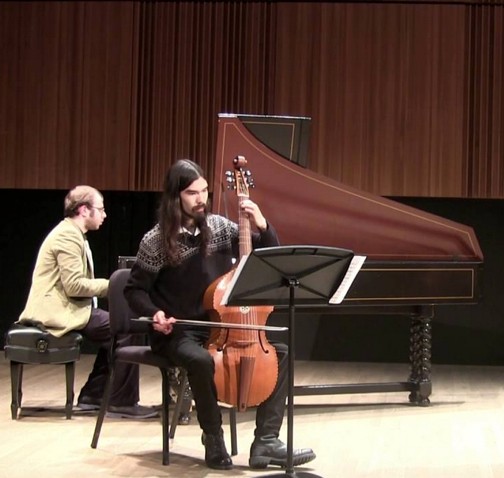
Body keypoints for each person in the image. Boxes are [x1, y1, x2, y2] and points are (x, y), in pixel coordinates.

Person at [124, 159, 316, 470]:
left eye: (204, 191)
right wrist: (155, 314)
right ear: (175, 196)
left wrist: (263, 225)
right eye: (192, 193)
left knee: (279, 353)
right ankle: (213, 437)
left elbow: (268, 259)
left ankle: (266, 442)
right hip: (178, 332)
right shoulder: (157, 240)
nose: (201, 199)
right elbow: (133, 291)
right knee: (200, 360)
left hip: (221, 328)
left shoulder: (221, 229)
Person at [18, 185, 156, 419]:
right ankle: (121, 401)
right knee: (128, 326)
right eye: (100, 210)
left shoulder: (73, 234)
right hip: (57, 311)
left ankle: (94, 395)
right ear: (84, 210)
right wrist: (115, 285)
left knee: (117, 328)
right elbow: (74, 285)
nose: (104, 215)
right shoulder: (67, 235)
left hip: (71, 307)